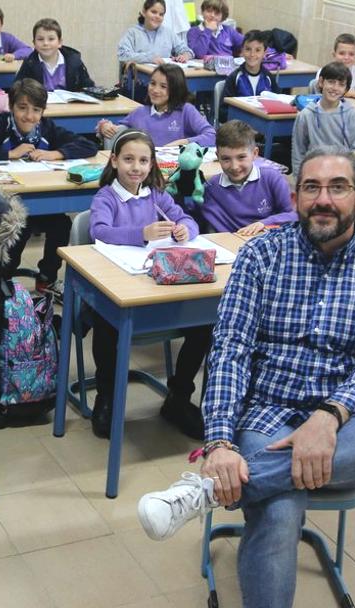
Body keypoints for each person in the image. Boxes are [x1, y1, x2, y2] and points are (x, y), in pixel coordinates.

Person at [137, 146, 355, 608]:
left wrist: (328, 418)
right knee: (279, 512)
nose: (323, 199)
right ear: (294, 197)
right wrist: (221, 443)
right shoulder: (261, 255)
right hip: (266, 416)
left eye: (337, 188)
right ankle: (252, 478)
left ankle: (205, 493)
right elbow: (230, 350)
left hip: (343, 422)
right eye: (311, 187)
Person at [88, 129, 207, 439]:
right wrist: (141, 232)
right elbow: (100, 231)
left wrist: (184, 230)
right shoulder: (106, 197)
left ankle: (178, 397)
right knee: (107, 327)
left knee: (205, 324)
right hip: (117, 288)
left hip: (158, 286)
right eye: (128, 159)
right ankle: (107, 398)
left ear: (152, 164)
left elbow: (188, 219)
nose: (136, 167)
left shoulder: (155, 195)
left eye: (143, 160)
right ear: (114, 161)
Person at [0, 78, 97, 294]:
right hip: (8, 204)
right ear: (11, 107)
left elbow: (88, 146)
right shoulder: (1, 124)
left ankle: (47, 278)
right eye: (22, 108)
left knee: (61, 225)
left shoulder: (46, 128)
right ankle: (1, 281)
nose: (29, 116)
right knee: (17, 228)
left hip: (36, 199)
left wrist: (56, 153)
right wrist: (9, 154)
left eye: (36, 110)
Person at [292, 61, 355, 217]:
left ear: (346, 89)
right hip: (317, 170)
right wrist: (298, 182)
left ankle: (352, 224)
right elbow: (298, 151)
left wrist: (351, 177)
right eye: (331, 82)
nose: (335, 88)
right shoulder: (306, 115)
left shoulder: (351, 114)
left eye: (340, 84)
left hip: (344, 169)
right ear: (321, 82)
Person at [202, 120, 295, 235]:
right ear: (217, 157)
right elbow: (192, 215)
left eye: (241, 157)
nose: (234, 167)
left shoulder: (272, 178)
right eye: (226, 159)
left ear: (255, 154)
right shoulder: (212, 187)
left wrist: (264, 223)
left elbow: (294, 215)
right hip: (231, 246)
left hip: (268, 242)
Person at [97, 64, 215, 148]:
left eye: (163, 86)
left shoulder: (186, 110)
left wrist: (183, 142)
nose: (155, 90)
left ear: (176, 89)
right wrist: (104, 126)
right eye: (152, 83)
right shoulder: (140, 112)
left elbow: (212, 135)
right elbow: (117, 129)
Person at [14, 18, 94, 92]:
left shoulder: (74, 61)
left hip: (70, 106)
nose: (45, 43)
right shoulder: (29, 63)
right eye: (40, 39)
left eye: (51, 39)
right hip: (41, 106)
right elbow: (17, 88)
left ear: (59, 43)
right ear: (34, 43)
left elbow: (89, 87)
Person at [118, 0, 194, 65]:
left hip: (164, 78)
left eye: (161, 14)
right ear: (144, 12)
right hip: (140, 78)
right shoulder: (132, 33)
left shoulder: (168, 33)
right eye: (154, 12)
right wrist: (150, 58)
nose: (157, 16)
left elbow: (187, 50)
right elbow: (122, 55)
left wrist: (185, 55)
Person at [222, 30, 279, 98]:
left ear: (264, 53)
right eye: (248, 49)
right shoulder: (233, 78)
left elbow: (278, 102)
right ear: (242, 51)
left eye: (258, 50)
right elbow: (224, 106)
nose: (252, 54)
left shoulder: (269, 78)